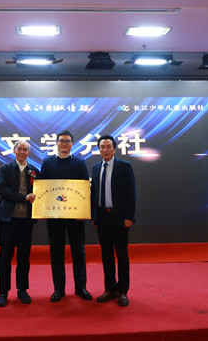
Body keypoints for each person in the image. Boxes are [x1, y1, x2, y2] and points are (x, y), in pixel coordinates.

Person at [38, 130, 92, 302]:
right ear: (56, 143)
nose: (64, 143)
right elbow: (43, 187)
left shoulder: (79, 162)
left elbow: (85, 187)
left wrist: (83, 211)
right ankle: (59, 289)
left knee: (78, 251)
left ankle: (81, 287)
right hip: (54, 214)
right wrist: (42, 210)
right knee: (56, 251)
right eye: (61, 140)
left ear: (72, 144)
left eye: (67, 141)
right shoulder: (48, 162)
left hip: (75, 214)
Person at [90, 134, 136, 307]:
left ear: (114, 149)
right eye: (102, 147)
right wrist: (94, 216)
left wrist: (129, 216)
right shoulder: (96, 168)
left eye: (108, 146)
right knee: (106, 255)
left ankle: (123, 291)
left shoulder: (125, 166)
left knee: (122, 255)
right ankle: (110, 289)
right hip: (102, 217)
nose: (105, 150)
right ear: (99, 149)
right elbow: (94, 194)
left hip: (120, 218)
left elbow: (131, 193)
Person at [0, 139, 38, 307]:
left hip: (26, 221)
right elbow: (2, 189)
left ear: (29, 152)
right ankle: (3, 292)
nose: (22, 152)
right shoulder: (5, 168)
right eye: (19, 148)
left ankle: (22, 289)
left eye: (25, 149)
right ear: (14, 150)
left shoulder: (34, 171)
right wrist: (23, 198)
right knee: (5, 257)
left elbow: (41, 192)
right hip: (8, 220)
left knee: (24, 257)